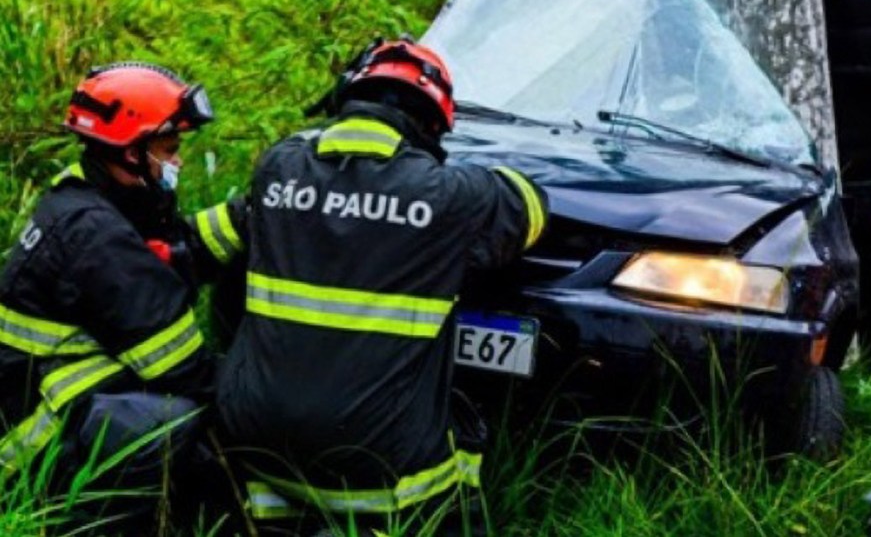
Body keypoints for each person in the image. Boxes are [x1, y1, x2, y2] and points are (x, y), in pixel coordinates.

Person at [210, 37, 548, 535]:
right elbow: (530, 204)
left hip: (255, 440)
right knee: (463, 450)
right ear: (432, 124)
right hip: (377, 457)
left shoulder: (278, 166)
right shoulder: (450, 195)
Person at [0, 62, 219, 518]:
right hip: (35, 446)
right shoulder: (95, 234)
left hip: (33, 405)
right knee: (183, 425)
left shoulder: (84, 198)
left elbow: (176, 249)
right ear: (131, 151)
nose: (176, 163)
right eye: (169, 149)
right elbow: (183, 368)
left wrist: (251, 217)